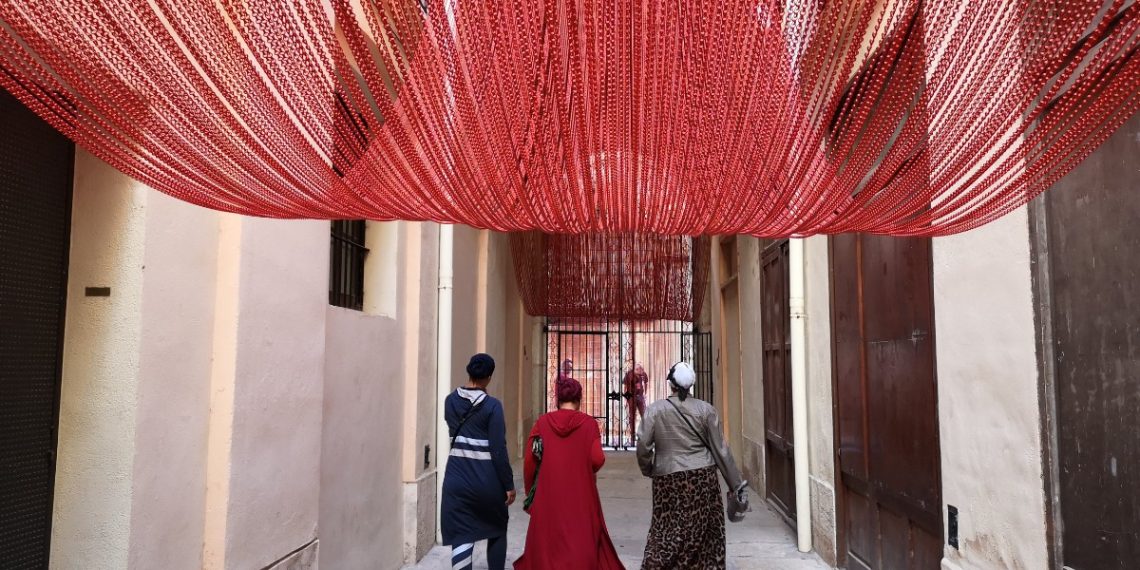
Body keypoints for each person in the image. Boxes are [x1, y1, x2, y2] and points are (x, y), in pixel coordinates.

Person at [636, 361, 749, 569]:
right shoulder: (706, 411)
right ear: (691, 386)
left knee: (666, 528)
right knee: (704, 531)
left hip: (667, 478)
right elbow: (721, 451)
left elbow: (643, 445)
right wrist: (736, 484)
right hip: (702, 479)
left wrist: (649, 468)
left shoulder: (654, 411)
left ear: (670, 383)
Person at [515, 376, 625, 569]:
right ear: (579, 399)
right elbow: (597, 458)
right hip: (581, 492)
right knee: (581, 537)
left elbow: (530, 461)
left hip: (548, 492)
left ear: (557, 399)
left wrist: (530, 491)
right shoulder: (589, 424)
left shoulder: (542, 423)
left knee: (548, 542)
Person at [442, 353, 516, 570]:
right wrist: (509, 485)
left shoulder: (450, 400)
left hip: (456, 478)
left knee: (462, 531)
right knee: (496, 528)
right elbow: (498, 450)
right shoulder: (492, 406)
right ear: (489, 377)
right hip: (486, 480)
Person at [622, 363, 649, 445]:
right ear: (634, 369)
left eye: (641, 369)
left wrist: (645, 394)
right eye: (638, 369)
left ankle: (644, 433)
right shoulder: (629, 374)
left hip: (640, 396)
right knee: (632, 415)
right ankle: (632, 434)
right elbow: (625, 386)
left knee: (644, 414)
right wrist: (625, 397)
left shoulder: (643, 374)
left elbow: (646, 383)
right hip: (632, 397)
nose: (640, 371)